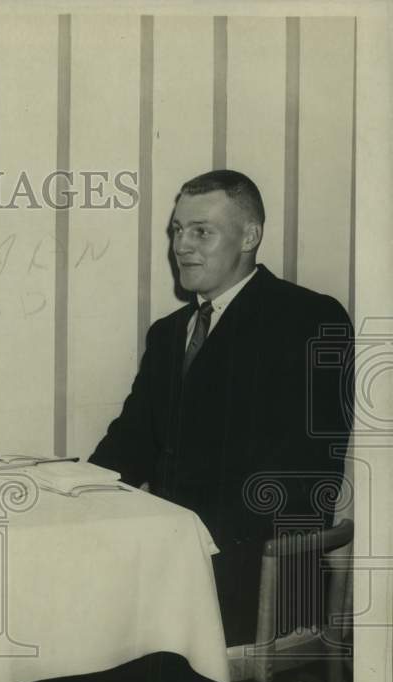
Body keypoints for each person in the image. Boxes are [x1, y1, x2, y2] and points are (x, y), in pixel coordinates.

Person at [89, 170, 352, 650]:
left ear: (250, 237)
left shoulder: (308, 318)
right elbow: (128, 444)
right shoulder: (168, 334)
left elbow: (303, 473)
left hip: (261, 570)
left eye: (201, 231)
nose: (181, 246)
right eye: (177, 230)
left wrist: (179, 540)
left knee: (91, 627)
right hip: (175, 558)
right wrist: (75, 495)